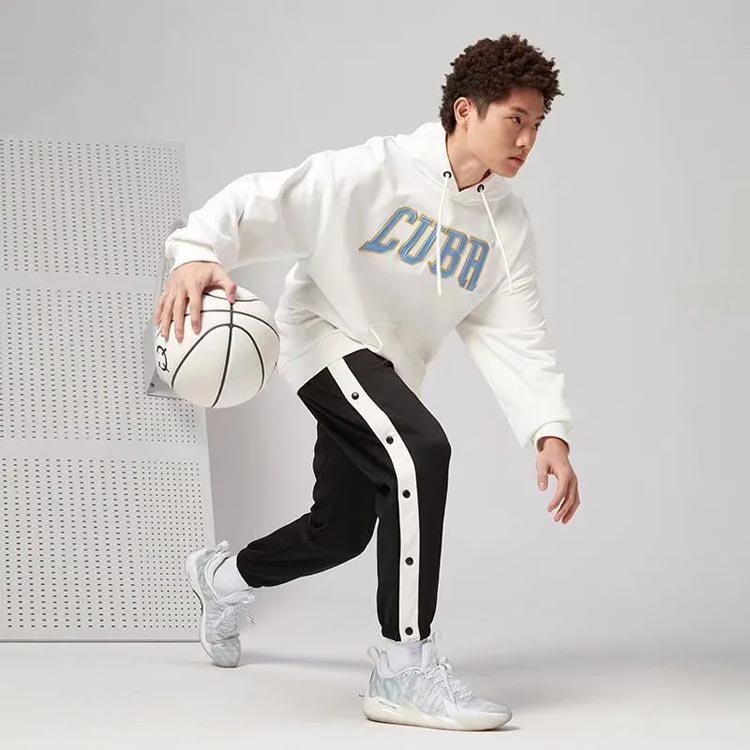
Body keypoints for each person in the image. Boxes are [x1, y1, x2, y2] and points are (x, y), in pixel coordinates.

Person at [154, 33, 581, 732]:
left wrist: (548, 430)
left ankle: (220, 579)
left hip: (388, 373)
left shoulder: (504, 223)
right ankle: (404, 670)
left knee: (340, 531)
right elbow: (267, 199)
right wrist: (195, 251)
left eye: (537, 124)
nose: (528, 140)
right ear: (466, 110)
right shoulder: (374, 171)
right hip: (324, 337)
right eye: (515, 120)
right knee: (422, 451)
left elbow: (515, 331)